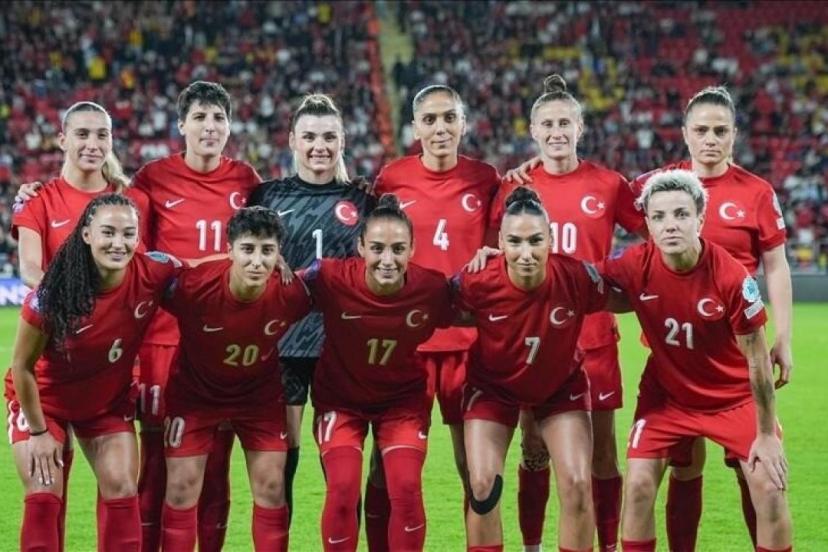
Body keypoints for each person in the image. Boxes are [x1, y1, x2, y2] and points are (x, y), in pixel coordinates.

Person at [629, 86, 793, 551]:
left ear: (734, 134)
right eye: (701, 130)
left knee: (754, 470)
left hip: (736, 352)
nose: (710, 139)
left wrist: (783, 336)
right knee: (684, 466)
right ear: (685, 133)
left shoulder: (756, 192)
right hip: (674, 358)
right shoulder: (658, 185)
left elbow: (776, 265)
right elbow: (595, 196)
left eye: (721, 131)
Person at [492, 75, 644, 552]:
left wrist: (624, 275)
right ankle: (532, 546)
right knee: (533, 449)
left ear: (580, 128)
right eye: (548, 124)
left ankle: (607, 545)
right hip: (533, 340)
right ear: (533, 131)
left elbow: (653, 231)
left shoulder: (609, 184)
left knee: (602, 454)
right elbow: (492, 252)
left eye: (565, 123)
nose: (557, 132)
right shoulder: (515, 187)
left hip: (593, 337)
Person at [130, 81, 263, 551]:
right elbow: (136, 256)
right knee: (155, 462)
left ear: (229, 126)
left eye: (218, 118)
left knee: (216, 464)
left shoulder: (247, 180)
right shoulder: (152, 178)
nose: (210, 127)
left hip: (223, 344)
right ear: (181, 125)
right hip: (163, 341)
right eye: (200, 117)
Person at [367, 84, 501, 549]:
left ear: (463, 123)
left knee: (476, 470)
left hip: (469, 343)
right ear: (415, 127)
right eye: (429, 119)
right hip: (407, 344)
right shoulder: (392, 178)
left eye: (449, 118)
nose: (440, 128)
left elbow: (499, 247)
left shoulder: (486, 178)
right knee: (388, 466)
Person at [10, 100, 148, 551]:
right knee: (44, 491)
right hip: (49, 370)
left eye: (101, 134)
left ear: (111, 141)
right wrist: (74, 302)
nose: (92, 143)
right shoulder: (39, 200)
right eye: (82, 134)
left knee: (122, 487)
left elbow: (146, 271)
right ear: (62, 140)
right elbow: (30, 269)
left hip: (106, 377)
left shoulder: (130, 203)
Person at [6, 193, 179, 551]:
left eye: (128, 233)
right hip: (44, 403)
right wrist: (39, 432)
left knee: (121, 486)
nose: (119, 243)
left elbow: (204, 274)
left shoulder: (154, 271)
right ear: (86, 235)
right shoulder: (51, 296)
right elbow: (22, 367)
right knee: (44, 490)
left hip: (106, 404)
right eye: (108, 232)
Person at [457, 186, 615, 552]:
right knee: (482, 486)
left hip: (560, 388)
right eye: (514, 241)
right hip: (493, 390)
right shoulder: (477, 279)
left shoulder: (576, 276)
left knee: (577, 484)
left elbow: (631, 293)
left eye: (535, 241)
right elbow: (427, 302)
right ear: (499, 242)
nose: (526, 253)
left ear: (551, 240)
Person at [300, 194, 455, 551]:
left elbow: (477, 301)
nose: (388, 260)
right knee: (342, 488)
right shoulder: (329, 276)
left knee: (405, 487)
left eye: (398, 249)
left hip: (402, 402)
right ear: (360, 247)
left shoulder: (432, 288)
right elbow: (281, 287)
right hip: (341, 400)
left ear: (412, 248)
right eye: (377, 248)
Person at [247, 93, 375, 522]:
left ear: (343, 141)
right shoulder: (265, 196)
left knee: (342, 471)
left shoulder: (363, 201)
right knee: (279, 467)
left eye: (329, 137)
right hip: (281, 345)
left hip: (341, 348)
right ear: (292, 141)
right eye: (309, 136)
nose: (319, 146)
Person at [160, 207, 311, 551]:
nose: (257, 261)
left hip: (258, 398)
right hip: (195, 395)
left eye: (267, 251)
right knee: (181, 488)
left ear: (279, 253)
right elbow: (151, 277)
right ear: (229, 250)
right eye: (247, 249)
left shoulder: (292, 294)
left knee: (272, 487)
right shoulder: (193, 286)